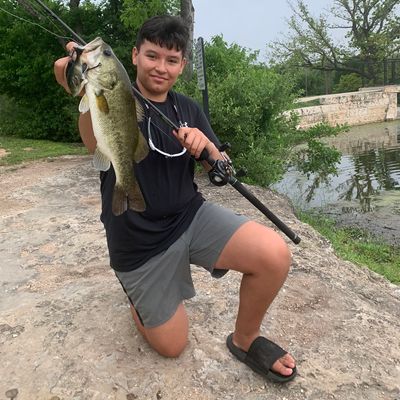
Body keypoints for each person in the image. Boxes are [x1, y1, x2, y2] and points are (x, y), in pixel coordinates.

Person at [54, 15, 297, 383]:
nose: (160, 68)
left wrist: (210, 150)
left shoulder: (187, 108)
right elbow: (90, 134)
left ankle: (245, 339)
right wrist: (72, 73)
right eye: (152, 56)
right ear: (134, 56)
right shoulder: (107, 93)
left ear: (182, 65)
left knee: (274, 254)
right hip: (138, 242)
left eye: (171, 60)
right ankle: (138, 294)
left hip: (190, 218)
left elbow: (222, 166)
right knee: (172, 346)